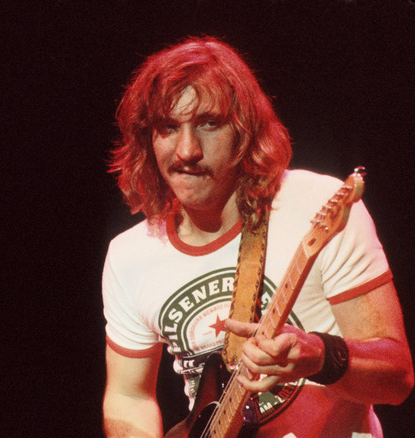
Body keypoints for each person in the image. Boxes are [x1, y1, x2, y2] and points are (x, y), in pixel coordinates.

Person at [102, 36, 413, 437]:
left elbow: (396, 378)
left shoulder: (313, 206)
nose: (186, 151)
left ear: (244, 130)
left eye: (208, 123)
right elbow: (129, 397)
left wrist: (320, 357)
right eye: (167, 128)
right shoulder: (130, 255)